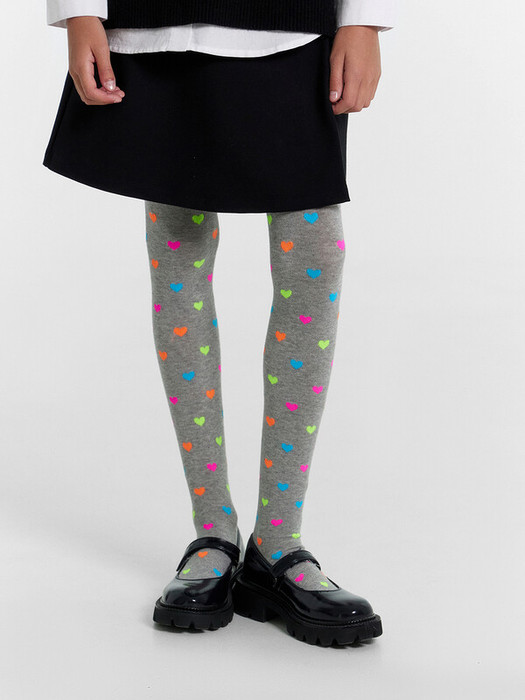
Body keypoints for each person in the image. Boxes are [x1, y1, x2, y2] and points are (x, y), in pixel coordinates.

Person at [44, 1, 397, 647]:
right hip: (159, 31)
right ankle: (213, 533)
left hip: (294, 27)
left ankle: (278, 542)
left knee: (313, 256)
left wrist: (365, 18)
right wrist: (78, 12)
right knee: (178, 256)